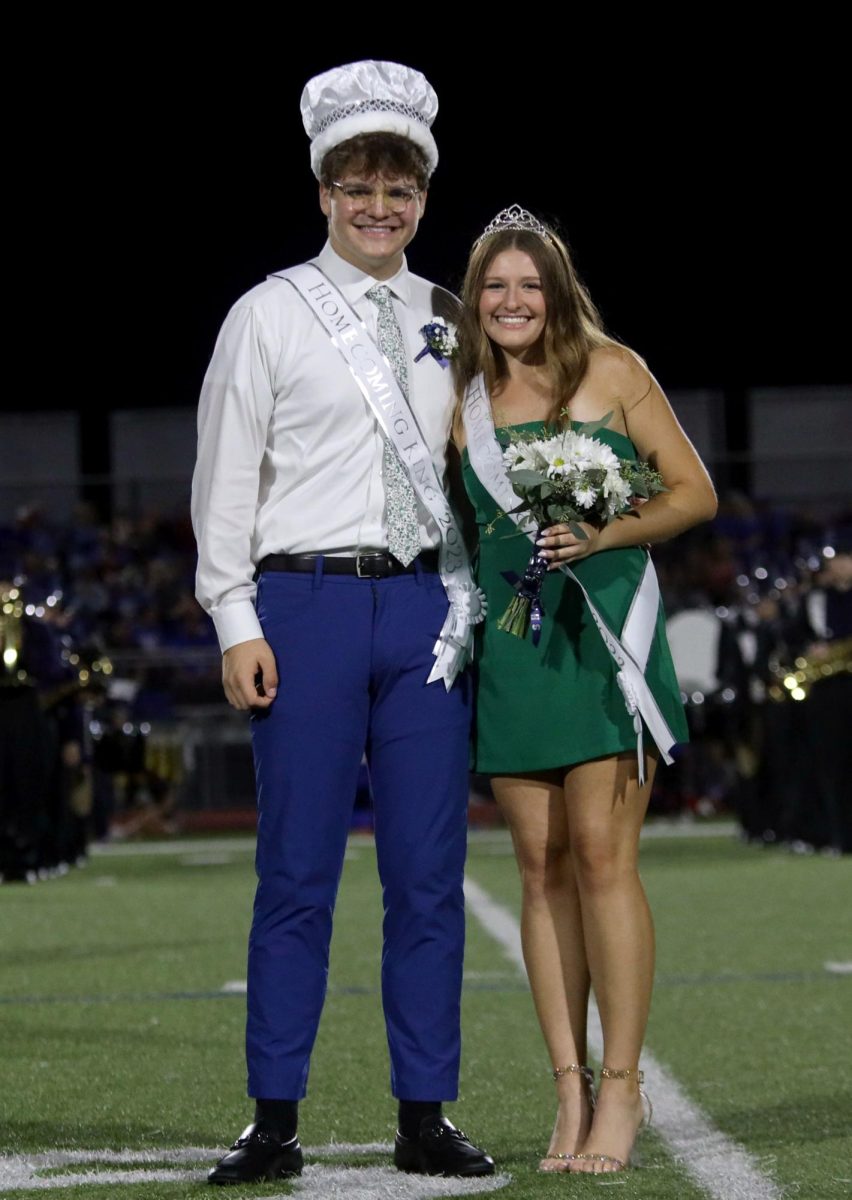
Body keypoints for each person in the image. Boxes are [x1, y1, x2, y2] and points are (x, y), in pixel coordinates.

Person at [191, 61, 493, 1185]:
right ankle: (275, 1118)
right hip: (302, 606)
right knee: (296, 875)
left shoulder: (452, 317)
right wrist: (234, 617)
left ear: (422, 194)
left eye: (400, 186)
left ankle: (425, 1112)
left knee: (426, 875)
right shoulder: (265, 314)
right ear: (323, 190)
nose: (380, 205)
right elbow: (225, 480)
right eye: (358, 183)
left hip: (425, 609)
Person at [452, 207, 718, 1174]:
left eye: (530, 284)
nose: (513, 301)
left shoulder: (613, 369)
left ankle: (624, 1090)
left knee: (604, 858)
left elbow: (692, 493)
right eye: (495, 286)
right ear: (475, 299)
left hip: (606, 636)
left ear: (556, 292)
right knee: (539, 868)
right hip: (518, 650)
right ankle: (566, 1088)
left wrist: (604, 534)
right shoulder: (461, 397)